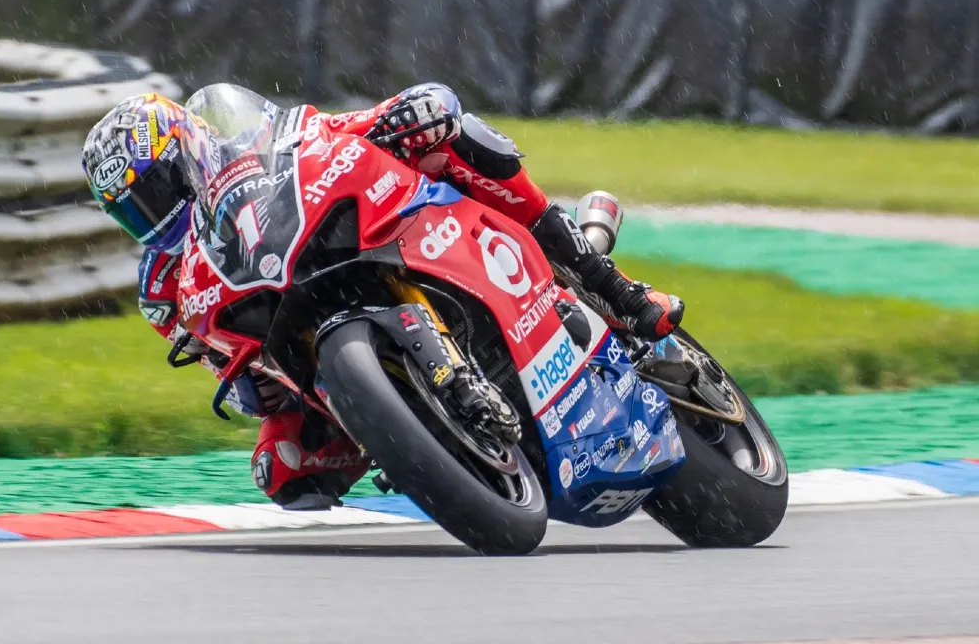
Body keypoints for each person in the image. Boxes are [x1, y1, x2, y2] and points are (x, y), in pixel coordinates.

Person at [80, 83, 685, 511]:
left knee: (452, 138)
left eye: (157, 189)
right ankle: (408, 435)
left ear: (188, 151)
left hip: (371, 237)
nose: (153, 215)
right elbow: (237, 379)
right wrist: (244, 382)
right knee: (283, 474)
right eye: (133, 210)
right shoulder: (164, 287)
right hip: (304, 352)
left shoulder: (273, 137)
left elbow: (347, 129)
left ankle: (607, 282)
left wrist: (405, 113)